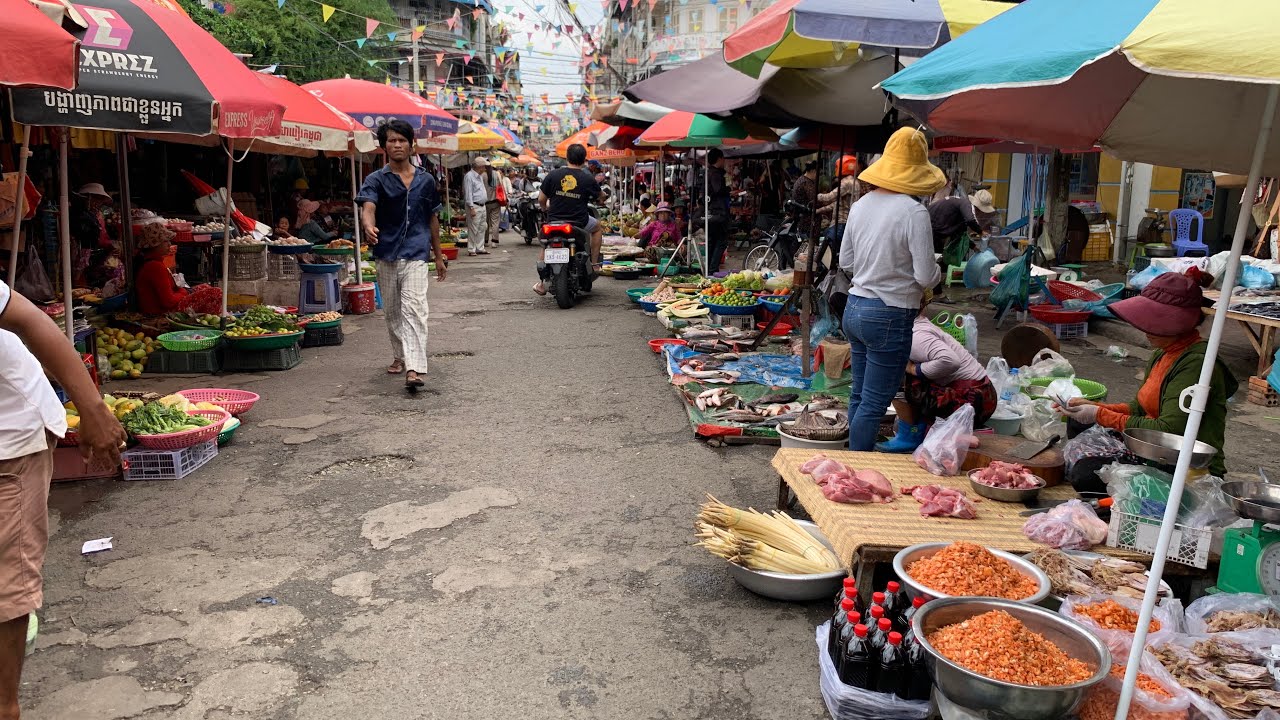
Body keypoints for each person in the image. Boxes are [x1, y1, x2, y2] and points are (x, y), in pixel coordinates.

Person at [0, 279, 126, 720]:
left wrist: (93, 409)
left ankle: (5, 706)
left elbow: (32, 321)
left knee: (5, 583)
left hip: (8, 442)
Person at [1059, 271, 1237, 478]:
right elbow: (1138, 408)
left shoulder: (1197, 364)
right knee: (1078, 423)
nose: (1146, 329)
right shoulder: (1162, 353)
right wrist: (1093, 408)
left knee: (1085, 473)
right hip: (1149, 446)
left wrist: (1100, 415)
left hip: (1180, 461)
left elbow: (1168, 430)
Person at [839, 127, 946, 451]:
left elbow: (846, 260)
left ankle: (848, 463)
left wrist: (875, 271)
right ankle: (855, 469)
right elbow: (926, 276)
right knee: (874, 401)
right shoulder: (913, 212)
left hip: (854, 307)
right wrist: (936, 271)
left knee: (859, 394)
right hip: (888, 314)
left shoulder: (861, 205)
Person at [358, 118, 447, 391]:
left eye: (402, 140)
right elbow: (368, 207)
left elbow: (432, 219)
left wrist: (439, 255)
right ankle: (400, 355)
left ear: (412, 145)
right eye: (392, 140)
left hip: (417, 253)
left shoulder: (426, 180)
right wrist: (368, 225)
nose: (397, 145)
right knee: (393, 312)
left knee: (415, 308)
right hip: (386, 252)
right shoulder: (375, 179)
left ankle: (414, 367)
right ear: (384, 146)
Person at [877, 297, 997, 452]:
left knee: (904, 381)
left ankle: (910, 436)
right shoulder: (916, 324)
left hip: (974, 401)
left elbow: (950, 361)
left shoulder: (915, 335)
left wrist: (914, 369)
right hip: (979, 395)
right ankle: (918, 430)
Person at [534, 143, 603, 296]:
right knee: (597, 227)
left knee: (546, 243)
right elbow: (600, 196)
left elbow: (541, 199)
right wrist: (602, 198)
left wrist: (545, 208)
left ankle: (541, 283)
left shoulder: (553, 175)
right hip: (580, 222)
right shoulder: (587, 178)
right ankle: (594, 263)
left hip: (554, 221)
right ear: (584, 159)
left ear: (567, 157)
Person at [134, 223, 190, 315]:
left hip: (162, 310)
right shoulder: (154, 266)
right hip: (161, 314)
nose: (169, 244)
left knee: (204, 287)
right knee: (215, 293)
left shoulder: (154, 263)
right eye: (165, 241)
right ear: (155, 245)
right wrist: (183, 292)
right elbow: (169, 301)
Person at [817, 155, 861, 265]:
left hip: (841, 222)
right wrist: (820, 210)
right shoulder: (856, 182)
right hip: (847, 222)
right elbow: (837, 203)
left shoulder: (846, 183)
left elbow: (830, 197)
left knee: (828, 253)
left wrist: (816, 196)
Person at [702, 148, 731, 273]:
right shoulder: (715, 174)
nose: (724, 161)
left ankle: (709, 269)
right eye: (723, 158)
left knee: (713, 241)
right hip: (718, 212)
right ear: (719, 159)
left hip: (712, 211)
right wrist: (730, 190)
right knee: (721, 241)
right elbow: (718, 190)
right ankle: (712, 269)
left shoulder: (709, 173)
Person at [463, 157, 490, 256]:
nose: (485, 168)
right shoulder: (469, 176)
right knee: (473, 228)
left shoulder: (479, 176)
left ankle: (480, 247)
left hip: (482, 205)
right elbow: (468, 193)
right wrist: (471, 207)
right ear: (479, 167)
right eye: (484, 166)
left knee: (482, 227)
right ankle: (471, 249)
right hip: (474, 205)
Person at [790, 160, 820, 241]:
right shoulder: (805, 183)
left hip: (804, 219)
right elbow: (814, 200)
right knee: (808, 245)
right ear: (813, 171)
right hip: (807, 220)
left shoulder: (802, 180)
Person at [484, 161, 503, 247]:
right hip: (495, 202)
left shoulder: (482, 176)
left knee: (485, 222)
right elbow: (501, 187)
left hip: (484, 203)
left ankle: (485, 241)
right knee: (495, 222)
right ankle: (494, 241)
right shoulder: (497, 174)